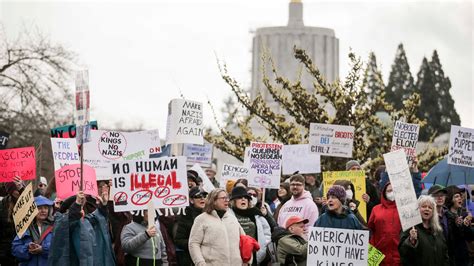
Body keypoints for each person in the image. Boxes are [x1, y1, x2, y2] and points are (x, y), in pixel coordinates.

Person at [48, 190, 115, 265]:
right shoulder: (62, 222)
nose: (81, 210)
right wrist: (77, 204)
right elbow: (71, 220)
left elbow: (99, 217)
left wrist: (103, 205)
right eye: (79, 207)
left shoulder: (87, 221)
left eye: (82, 207)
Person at [188, 188, 245, 266]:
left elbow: (244, 240)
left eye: (227, 198)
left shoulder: (232, 218)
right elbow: (194, 243)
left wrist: (247, 260)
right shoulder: (201, 219)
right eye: (223, 198)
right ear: (213, 201)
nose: (226, 200)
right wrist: (200, 263)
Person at [399, 195, 449, 266]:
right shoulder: (410, 228)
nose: (427, 209)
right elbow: (403, 254)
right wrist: (411, 241)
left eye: (430, 207)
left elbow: (445, 254)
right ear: (417, 209)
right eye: (424, 206)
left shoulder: (438, 230)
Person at [228, 187, 271, 265]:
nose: (243, 199)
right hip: (234, 255)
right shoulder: (227, 215)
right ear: (234, 201)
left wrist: (263, 245)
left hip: (253, 255)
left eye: (246, 198)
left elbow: (267, 232)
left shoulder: (256, 214)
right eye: (240, 198)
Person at [11, 196, 54, 266]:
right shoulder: (24, 228)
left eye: (45, 208)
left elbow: (60, 247)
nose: (43, 211)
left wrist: (43, 249)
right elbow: (15, 250)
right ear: (32, 210)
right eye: (39, 208)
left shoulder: (55, 227)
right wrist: (27, 248)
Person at [368, 182, 402, 265]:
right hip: (378, 254)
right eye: (389, 191)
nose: (391, 193)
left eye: (394, 190)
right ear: (384, 193)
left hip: (398, 254)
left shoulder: (403, 209)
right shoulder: (376, 209)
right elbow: (370, 228)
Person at [174, 187, 208, 266]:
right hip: (192, 260)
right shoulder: (185, 216)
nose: (202, 198)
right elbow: (179, 240)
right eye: (198, 196)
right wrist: (196, 244)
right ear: (191, 200)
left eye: (204, 195)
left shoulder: (212, 214)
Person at [444, 185, 474, 266]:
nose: (460, 198)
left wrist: (466, 225)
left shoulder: (464, 214)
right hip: (452, 258)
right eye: (456, 196)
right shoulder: (445, 216)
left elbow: (470, 237)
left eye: (460, 196)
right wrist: (455, 225)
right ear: (450, 199)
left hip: (465, 257)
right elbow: (448, 239)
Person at [0, 178, 23, 265]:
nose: (18, 192)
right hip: (6, 252)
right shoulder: (3, 205)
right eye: (15, 189)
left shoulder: (26, 202)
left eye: (19, 189)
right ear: (10, 191)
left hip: (24, 250)